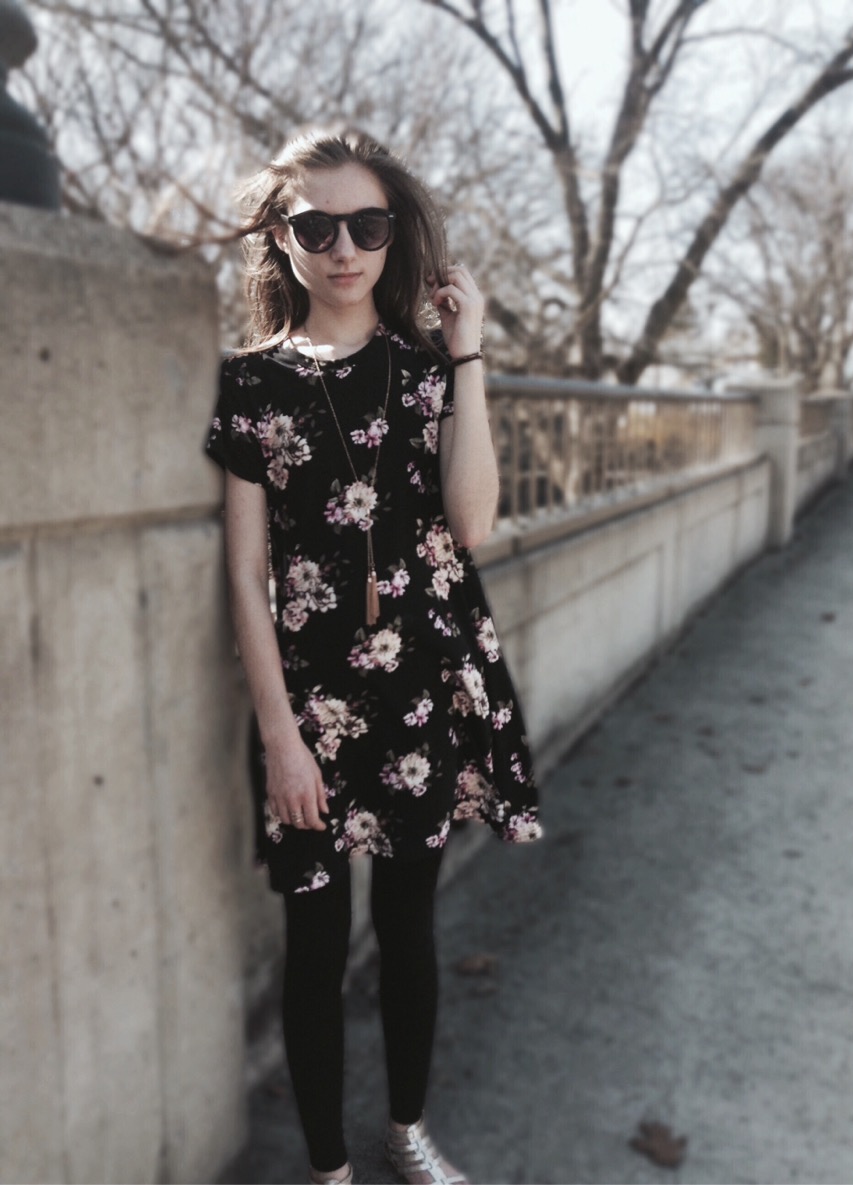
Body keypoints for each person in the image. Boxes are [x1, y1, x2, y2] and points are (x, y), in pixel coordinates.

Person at [206, 127, 541, 1185]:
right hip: (307, 703)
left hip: (420, 692)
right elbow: (246, 576)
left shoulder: (430, 374)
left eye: (368, 224)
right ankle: (328, 1170)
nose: (344, 247)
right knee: (315, 947)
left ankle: (405, 1133)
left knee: (407, 932)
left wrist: (469, 350)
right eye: (317, 226)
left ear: (394, 235)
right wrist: (279, 737)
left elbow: (472, 525)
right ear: (280, 235)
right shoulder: (250, 385)